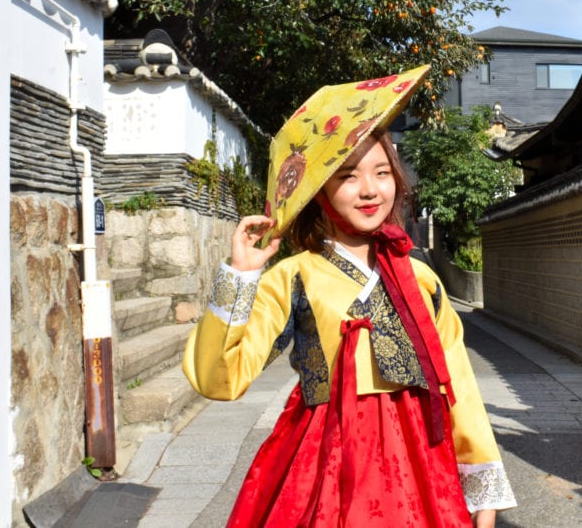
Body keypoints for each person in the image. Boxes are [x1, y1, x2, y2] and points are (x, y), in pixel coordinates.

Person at [182, 66, 516, 527]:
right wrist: (239, 276)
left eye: (382, 172)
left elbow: (456, 383)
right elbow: (220, 379)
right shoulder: (294, 276)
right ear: (320, 192)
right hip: (322, 461)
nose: (370, 190)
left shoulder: (421, 279)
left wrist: (482, 482)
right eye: (347, 176)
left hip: (420, 461)